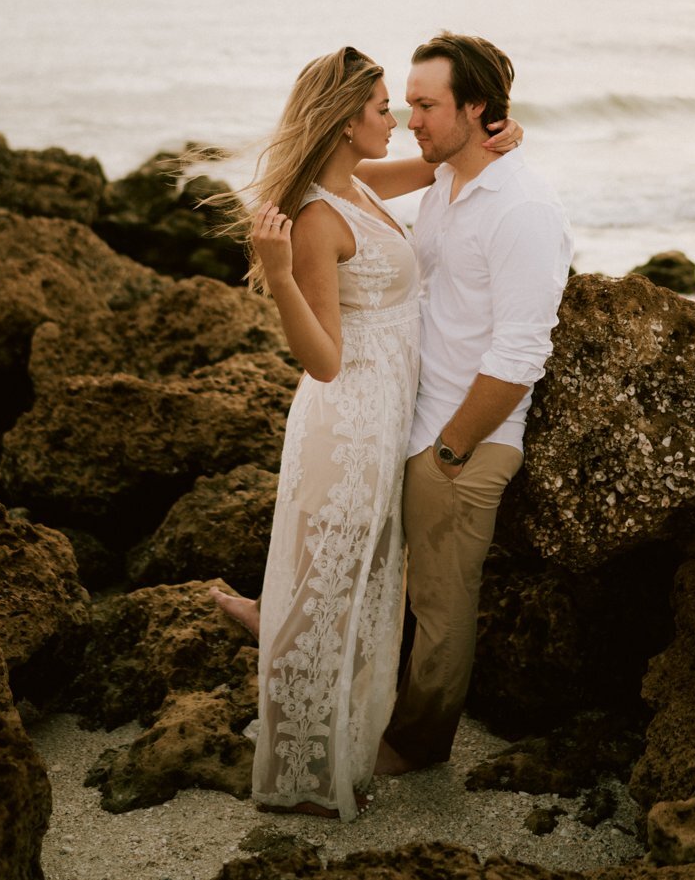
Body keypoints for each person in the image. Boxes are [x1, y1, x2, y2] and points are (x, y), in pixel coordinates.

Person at [207, 45, 523, 819]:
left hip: (388, 418)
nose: (400, 121)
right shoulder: (317, 215)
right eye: (386, 108)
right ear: (348, 121)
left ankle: (286, 647)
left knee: (345, 589)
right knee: (330, 593)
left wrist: (496, 138)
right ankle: (302, 777)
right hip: (345, 425)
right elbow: (321, 358)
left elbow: (439, 166)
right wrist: (279, 274)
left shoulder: (358, 182)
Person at [374, 31, 572, 775]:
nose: (410, 119)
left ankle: (418, 747)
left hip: (465, 441)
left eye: (425, 105)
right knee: (405, 591)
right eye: (406, 103)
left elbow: (521, 354)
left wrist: (449, 451)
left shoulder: (521, 208)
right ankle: (381, 714)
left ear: (475, 106)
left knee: (441, 608)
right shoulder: (448, 181)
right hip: (420, 423)